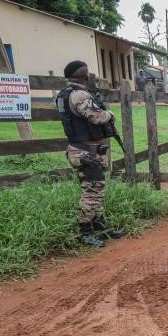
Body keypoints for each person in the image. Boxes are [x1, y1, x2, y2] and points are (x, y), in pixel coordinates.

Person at [56, 60, 125, 247]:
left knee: (96, 188)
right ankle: (84, 232)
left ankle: (100, 225)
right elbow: (96, 117)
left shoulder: (65, 94)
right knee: (91, 192)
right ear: (84, 75)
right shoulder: (78, 95)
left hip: (83, 149)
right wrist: (109, 114)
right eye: (87, 72)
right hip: (86, 151)